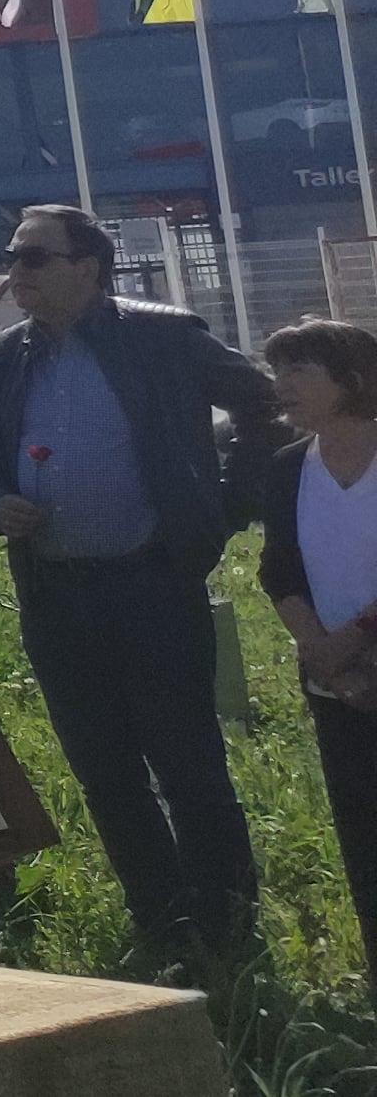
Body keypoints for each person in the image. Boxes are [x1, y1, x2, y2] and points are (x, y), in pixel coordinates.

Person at [0, 202, 285, 955]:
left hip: (154, 587)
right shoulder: (5, 357)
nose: (17, 273)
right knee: (105, 773)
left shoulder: (164, 337)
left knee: (190, 768)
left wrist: (224, 505)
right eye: (12, 257)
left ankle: (229, 929)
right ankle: (160, 922)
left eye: (33, 257)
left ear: (87, 268)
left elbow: (266, 401)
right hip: (57, 596)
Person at [257, 319, 377, 967]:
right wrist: (320, 654)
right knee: (364, 832)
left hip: (359, 657)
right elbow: (277, 571)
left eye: (298, 370)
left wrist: (355, 637)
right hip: (335, 685)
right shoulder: (285, 469)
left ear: (350, 379)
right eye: (278, 371)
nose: (282, 385)